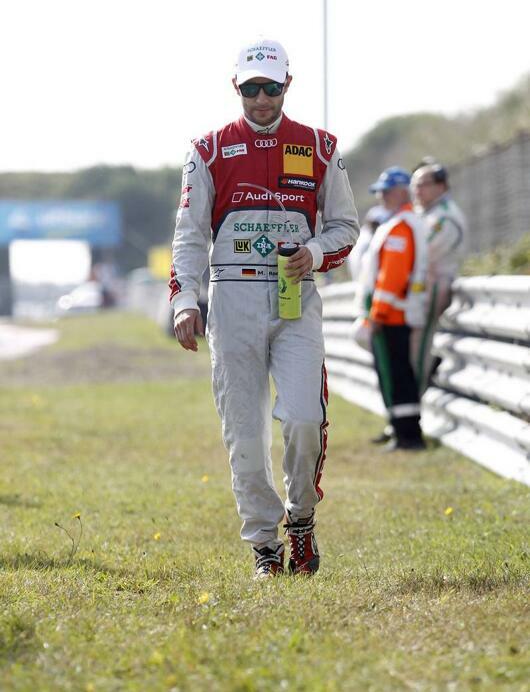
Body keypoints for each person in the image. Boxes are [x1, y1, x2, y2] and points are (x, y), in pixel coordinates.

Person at [169, 38, 359, 578]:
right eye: (251, 88)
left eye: (269, 88)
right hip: (232, 298)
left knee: (303, 418)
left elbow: (346, 227)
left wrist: (316, 252)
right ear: (237, 87)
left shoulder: (320, 147)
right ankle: (264, 548)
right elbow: (188, 234)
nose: (260, 99)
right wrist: (184, 299)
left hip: (295, 296)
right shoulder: (206, 149)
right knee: (244, 430)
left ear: (286, 86)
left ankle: (301, 521)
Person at [353, 167, 428, 451]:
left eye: (385, 191)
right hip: (395, 313)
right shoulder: (401, 223)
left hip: (392, 315)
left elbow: (392, 277)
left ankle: (407, 435)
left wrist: (378, 314)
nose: (381, 197)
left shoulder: (400, 227)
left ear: (399, 192)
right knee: (397, 374)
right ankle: (404, 433)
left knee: (395, 375)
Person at [411, 160, 468, 392]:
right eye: (414, 185)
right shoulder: (425, 213)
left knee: (418, 352)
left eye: (423, 184)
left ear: (441, 186)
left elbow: (422, 254)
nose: (417, 190)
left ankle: (413, 410)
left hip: (434, 288)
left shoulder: (444, 217)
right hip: (418, 289)